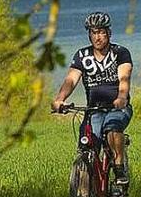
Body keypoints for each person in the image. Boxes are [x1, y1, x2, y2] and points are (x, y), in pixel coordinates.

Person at [52, 12, 133, 185]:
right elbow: (71, 79)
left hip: (117, 107)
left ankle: (119, 171)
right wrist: (60, 99)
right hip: (94, 109)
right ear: (89, 34)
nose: (97, 37)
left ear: (109, 33)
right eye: (93, 32)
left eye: (101, 32)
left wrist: (121, 97)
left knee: (112, 128)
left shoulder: (120, 53)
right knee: (87, 143)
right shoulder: (82, 55)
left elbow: (124, 78)